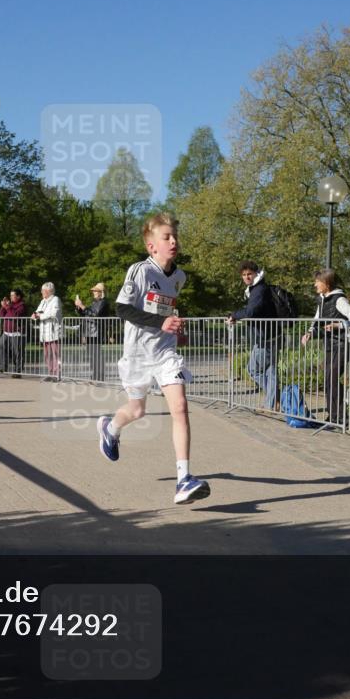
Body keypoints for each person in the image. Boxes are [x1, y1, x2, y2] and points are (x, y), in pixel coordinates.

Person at [95, 214, 210, 506]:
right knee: (136, 411)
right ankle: (110, 428)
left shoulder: (179, 277)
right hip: (137, 355)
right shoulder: (140, 271)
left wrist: (174, 329)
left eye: (175, 237)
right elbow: (122, 309)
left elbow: (166, 308)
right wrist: (160, 322)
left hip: (165, 353)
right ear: (151, 246)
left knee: (180, 407)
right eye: (166, 237)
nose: (173, 241)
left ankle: (184, 479)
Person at [300, 269, 350, 425]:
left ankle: (340, 417)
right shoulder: (322, 300)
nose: (315, 284)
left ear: (326, 283)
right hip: (329, 344)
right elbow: (317, 320)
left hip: (342, 344)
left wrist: (338, 324)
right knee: (329, 379)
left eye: (317, 282)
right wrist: (309, 333)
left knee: (332, 378)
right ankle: (334, 416)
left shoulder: (339, 300)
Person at [227, 261, 280, 411]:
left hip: (265, 337)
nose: (246, 277)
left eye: (249, 274)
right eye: (243, 275)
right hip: (271, 335)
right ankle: (273, 403)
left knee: (253, 370)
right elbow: (252, 310)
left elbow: (251, 312)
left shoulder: (259, 289)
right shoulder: (257, 289)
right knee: (270, 370)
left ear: (256, 273)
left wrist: (234, 315)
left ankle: (276, 397)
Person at [74, 282, 110, 381]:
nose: (93, 292)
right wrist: (79, 308)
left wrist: (82, 306)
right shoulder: (95, 302)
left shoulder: (103, 302)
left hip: (97, 331)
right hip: (90, 331)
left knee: (96, 355)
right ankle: (95, 375)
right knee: (92, 355)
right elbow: (87, 314)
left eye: (95, 291)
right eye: (93, 291)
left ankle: (99, 377)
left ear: (101, 292)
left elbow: (95, 315)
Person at [32, 282, 62, 381]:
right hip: (45, 333)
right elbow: (37, 311)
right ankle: (50, 373)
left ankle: (57, 375)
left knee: (56, 354)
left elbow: (53, 313)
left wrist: (40, 316)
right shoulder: (43, 301)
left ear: (49, 291)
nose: (41, 292)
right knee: (47, 355)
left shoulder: (55, 299)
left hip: (54, 332)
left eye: (43, 290)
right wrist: (35, 315)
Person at [0, 289, 26, 378]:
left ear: (18, 296)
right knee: (1, 346)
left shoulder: (21, 305)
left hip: (17, 333)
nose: (10, 297)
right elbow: (2, 315)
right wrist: (3, 306)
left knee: (17, 353)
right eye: (10, 295)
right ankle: (3, 367)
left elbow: (15, 315)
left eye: (12, 295)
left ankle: (17, 372)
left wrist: (8, 307)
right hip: (6, 332)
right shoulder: (10, 305)